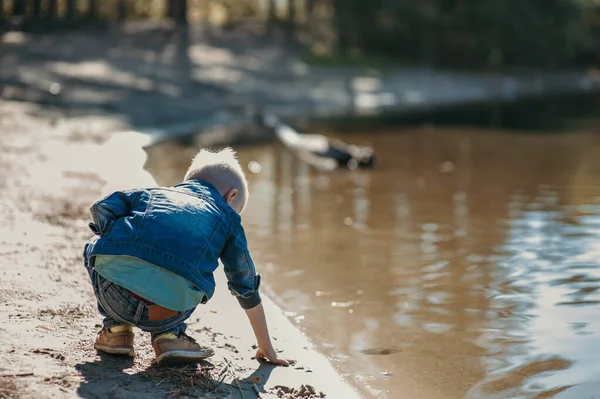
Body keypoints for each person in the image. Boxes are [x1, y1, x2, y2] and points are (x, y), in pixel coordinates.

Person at [83, 147, 295, 367]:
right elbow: (245, 285)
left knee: (94, 246)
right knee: (189, 272)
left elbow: (102, 207)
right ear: (231, 196)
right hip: (167, 310)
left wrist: (118, 237)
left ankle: (117, 331)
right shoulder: (228, 218)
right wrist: (266, 346)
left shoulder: (151, 193)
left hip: (114, 297)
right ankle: (169, 337)